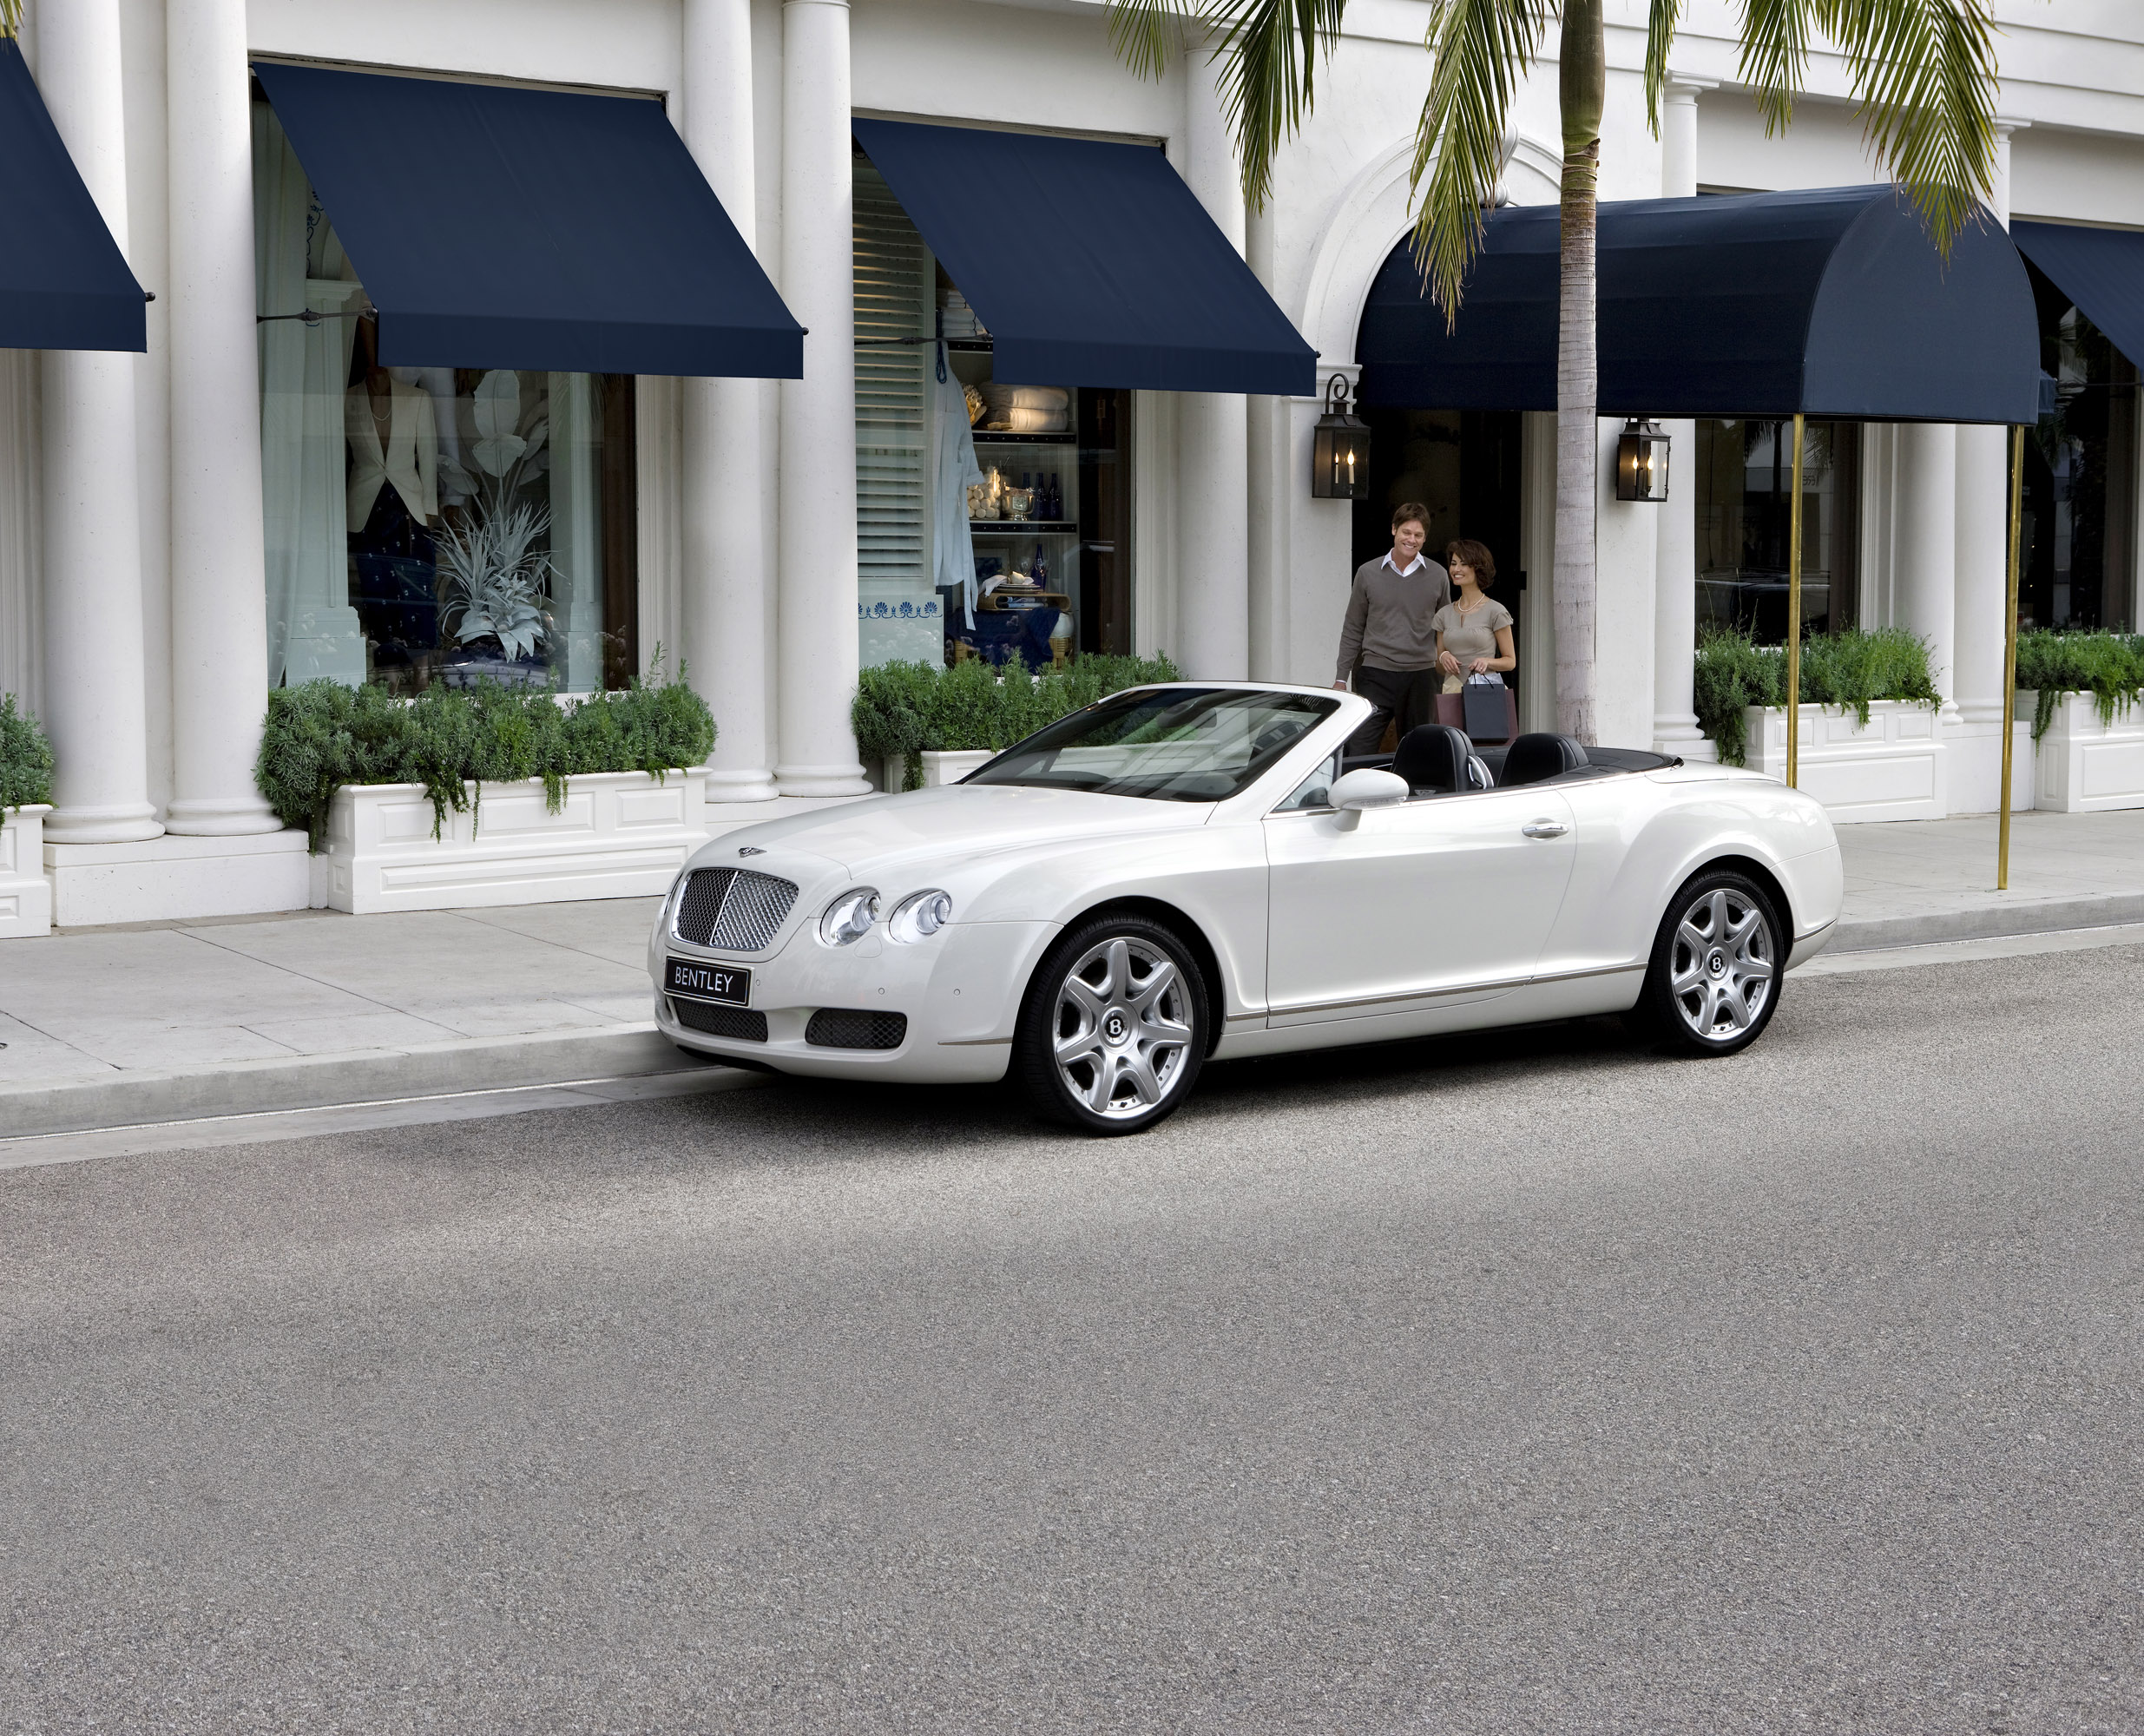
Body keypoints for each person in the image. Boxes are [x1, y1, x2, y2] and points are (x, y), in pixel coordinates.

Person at [1332, 503, 1451, 754]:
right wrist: (1341, 678)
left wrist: (1444, 666)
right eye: (1406, 532)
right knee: (1359, 748)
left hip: (1421, 677)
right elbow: (1353, 627)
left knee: (1419, 752)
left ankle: (1414, 794)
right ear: (1394, 530)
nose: (1411, 540)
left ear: (1425, 538)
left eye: (1418, 535)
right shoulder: (1367, 573)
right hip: (1376, 673)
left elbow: (1444, 629)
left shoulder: (1438, 575)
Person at [1432, 538, 1516, 694]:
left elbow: (1510, 662)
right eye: (1454, 563)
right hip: (1452, 693)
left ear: (1478, 568)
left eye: (1463, 564)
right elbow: (1439, 667)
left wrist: (1487, 661)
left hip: (1484, 694)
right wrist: (1443, 656)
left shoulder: (1496, 611)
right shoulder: (1443, 614)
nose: (1456, 569)